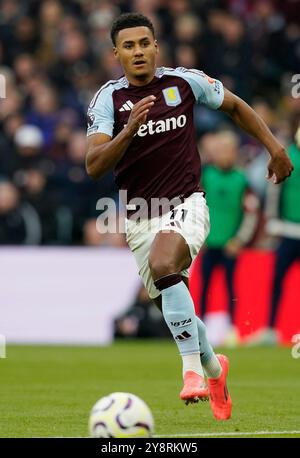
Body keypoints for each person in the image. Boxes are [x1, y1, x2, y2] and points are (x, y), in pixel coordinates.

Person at [85, 13, 293, 420]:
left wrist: (275, 147)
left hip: (188, 203)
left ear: (156, 45)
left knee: (165, 264)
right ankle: (215, 369)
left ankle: (191, 371)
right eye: (129, 46)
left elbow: (235, 106)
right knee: (172, 304)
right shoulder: (107, 100)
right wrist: (128, 131)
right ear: (117, 54)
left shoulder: (184, 82)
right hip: (140, 216)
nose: (138, 51)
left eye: (144, 42)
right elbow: (93, 164)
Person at [200, 130, 260, 347]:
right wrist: (199, 236)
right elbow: (195, 208)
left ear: (235, 153)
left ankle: (233, 330)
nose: (224, 154)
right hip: (209, 243)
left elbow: (251, 215)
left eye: (228, 150)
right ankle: (201, 330)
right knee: (204, 287)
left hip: (230, 245)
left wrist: (239, 240)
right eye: (220, 150)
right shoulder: (205, 176)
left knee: (230, 288)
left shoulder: (242, 180)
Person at [245, 122, 300, 346]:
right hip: (288, 228)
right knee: (277, 280)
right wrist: (273, 222)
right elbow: (275, 188)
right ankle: (270, 328)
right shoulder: (288, 155)